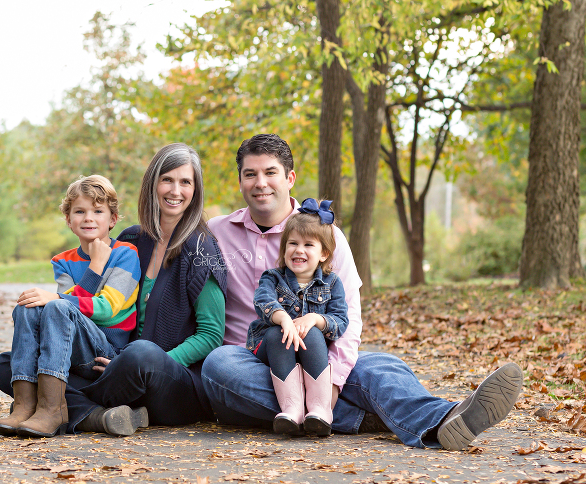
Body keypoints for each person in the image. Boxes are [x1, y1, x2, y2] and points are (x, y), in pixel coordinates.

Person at [202, 133, 523, 450]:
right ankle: (368, 417)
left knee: (382, 366)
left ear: (290, 178)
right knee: (218, 367)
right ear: (240, 181)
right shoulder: (215, 233)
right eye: (250, 174)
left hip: (318, 356)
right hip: (251, 360)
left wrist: (333, 385)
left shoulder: (326, 236)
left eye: (270, 172)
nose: (260, 183)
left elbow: (349, 317)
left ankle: (445, 419)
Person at [0, 143, 227, 436]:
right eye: (167, 179)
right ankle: (98, 417)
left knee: (141, 353)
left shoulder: (203, 249)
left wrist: (132, 362)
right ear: (153, 184)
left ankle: (74, 409)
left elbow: (211, 335)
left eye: (185, 182)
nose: (174, 190)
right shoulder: (133, 240)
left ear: (196, 189)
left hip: (168, 379)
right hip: (110, 369)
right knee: (6, 365)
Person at [0, 175, 140, 438]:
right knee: (28, 306)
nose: (88, 218)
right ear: (69, 221)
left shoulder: (125, 254)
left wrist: (95, 266)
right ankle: (25, 406)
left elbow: (106, 309)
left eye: (98, 211)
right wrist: (59, 296)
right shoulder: (63, 261)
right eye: (79, 211)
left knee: (57, 306)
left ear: (113, 219)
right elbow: (61, 310)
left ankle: (51, 408)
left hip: (103, 353)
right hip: (67, 351)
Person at [248, 199, 348, 436]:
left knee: (312, 331)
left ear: (323, 253)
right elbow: (263, 301)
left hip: (310, 352)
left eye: (308, 244)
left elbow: (340, 321)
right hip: (273, 350)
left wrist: (314, 319)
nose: (298, 250)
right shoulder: (272, 278)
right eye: (292, 243)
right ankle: (292, 409)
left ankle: (320, 410)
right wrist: (283, 319)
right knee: (277, 333)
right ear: (284, 250)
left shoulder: (332, 283)